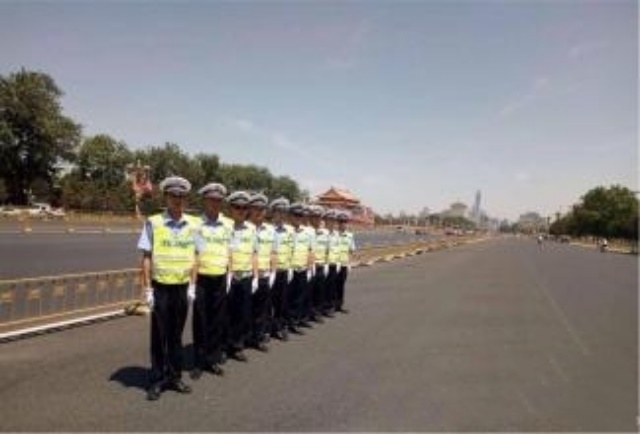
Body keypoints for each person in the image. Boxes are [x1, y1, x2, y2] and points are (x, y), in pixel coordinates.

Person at [137, 176, 196, 401]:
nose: (177, 199)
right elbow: (146, 257)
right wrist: (148, 289)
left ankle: (174, 376)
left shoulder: (194, 224)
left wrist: (192, 285)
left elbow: (195, 256)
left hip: (182, 287)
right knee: (159, 335)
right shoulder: (154, 222)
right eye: (173, 195)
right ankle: (157, 379)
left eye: (181, 196)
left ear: (186, 198)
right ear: (166, 197)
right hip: (161, 287)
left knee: (176, 335)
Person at [190, 182, 231, 380]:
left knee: (217, 319)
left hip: (221, 277)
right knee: (201, 320)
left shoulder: (228, 224)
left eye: (218, 200)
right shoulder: (196, 224)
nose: (215, 203)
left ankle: (212, 358)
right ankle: (199, 361)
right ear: (204, 201)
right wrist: (192, 283)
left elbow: (230, 250)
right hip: (202, 279)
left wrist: (229, 274)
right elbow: (195, 254)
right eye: (211, 200)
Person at [226, 191, 258, 362]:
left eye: (244, 208)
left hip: (245, 276)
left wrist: (255, 277)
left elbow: (254, 253)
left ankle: (237, 345)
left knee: (242, 313)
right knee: (226, 313)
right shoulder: (225, 227)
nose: (240, 210)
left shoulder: (252, 229)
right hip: (229, 278)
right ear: (231, 209)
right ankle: (223, 344)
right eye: (237, 207)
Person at [248, 192, 276, 351]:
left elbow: (273, 253)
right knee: (243, 309)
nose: (259, 212)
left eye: (262, 209)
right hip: (247, 276)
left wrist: (273, 272)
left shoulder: (270, 230)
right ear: (250, 209)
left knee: (261, 309)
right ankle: (241, 338)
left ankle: (257, 337)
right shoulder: (243, 228)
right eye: (256, 208)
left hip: (264, 275)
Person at [287, 202, 315, 331]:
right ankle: (287, 322)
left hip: (302, 269)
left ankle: (296, 320)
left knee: (300, 297)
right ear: (290, 216)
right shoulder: (286, 231)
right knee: (288, 298)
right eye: (296, 215)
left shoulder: (307, 232)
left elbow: (310, 251)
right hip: (289, 269)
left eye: (300, 215)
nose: (298, 218)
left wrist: (309, 268)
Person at [269, 197, 294, 340]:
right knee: (268, 303)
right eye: (279, 211)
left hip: (284, 270)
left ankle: (280, 327)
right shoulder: (267, 229)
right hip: (270, 272)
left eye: (284, 212)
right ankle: (267, 328)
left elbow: (291, 250)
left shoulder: (289, 230)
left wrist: (289, 267)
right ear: (273, 212)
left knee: (282, 302)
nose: (281, 214)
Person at [308, 204, 329, 322]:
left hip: (321, 265)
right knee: (308, 292)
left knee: (319, 291)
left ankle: (317, 312)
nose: (317, 219)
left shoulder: (325, 233)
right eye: (314, 217)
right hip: (310, 267)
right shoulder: (307, 232)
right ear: (310, 218)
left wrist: (326, 264)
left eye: (319, 217)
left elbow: (327, 250)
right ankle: (307, 313)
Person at [335, 210, 356, 314]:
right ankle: (330, 305)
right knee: (332, 285)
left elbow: (351, 251)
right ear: (338, 223)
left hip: (344, 264)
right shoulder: (333, 235)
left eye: (344, 222)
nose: (343, 224)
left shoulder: (350, 236)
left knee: (341, 285)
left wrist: (349, 264)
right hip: (334, 264)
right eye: (341, 222)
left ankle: (339, 305)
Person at [322, 209, 340, 317]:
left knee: (332, 286)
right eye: (330, 220)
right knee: (323, 287)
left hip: (333, 263)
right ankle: (323, 308)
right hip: (324, 264)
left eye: (333, 220)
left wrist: (338, 261)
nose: (332, 222)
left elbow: (337, 249)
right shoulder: (321, 233)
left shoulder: (336, 234)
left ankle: (330, 306)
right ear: (325, 220)